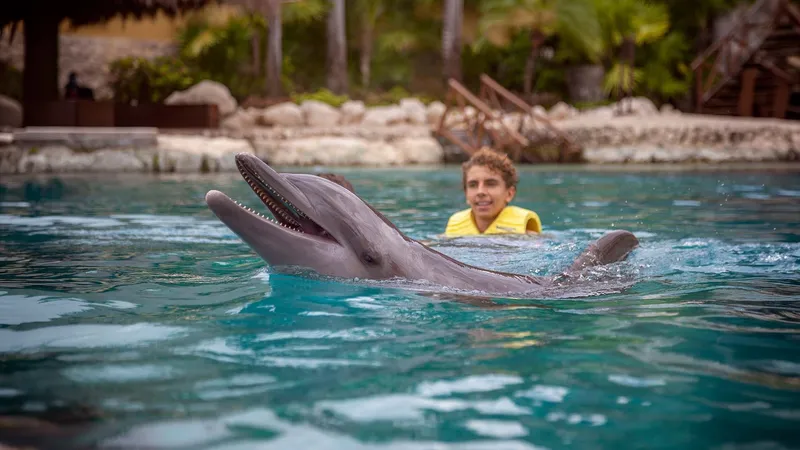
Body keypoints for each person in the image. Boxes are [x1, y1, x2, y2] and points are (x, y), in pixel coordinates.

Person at [444, 147, 542, 237]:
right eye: (473, 185)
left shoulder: (529, 237)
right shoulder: (452, 233)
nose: (480, 191)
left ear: (509, 193)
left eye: (490, 184)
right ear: (466, 193)